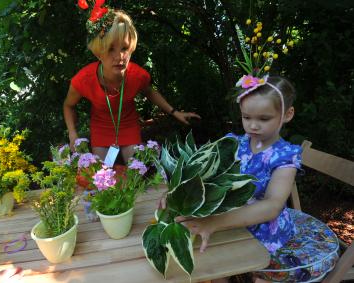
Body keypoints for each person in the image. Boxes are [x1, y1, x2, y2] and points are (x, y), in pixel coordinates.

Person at [159, 76, 339, 283]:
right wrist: (176, 191)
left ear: (288, 114)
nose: (253, 126)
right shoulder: (234, 143)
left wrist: (215, 222)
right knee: (204, 256)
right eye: (246, 117)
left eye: (264, 119)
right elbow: (201, 173)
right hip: (229, 219)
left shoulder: (285, 156)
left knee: (220, 258)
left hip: (264, 231)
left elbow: (272, 205)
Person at [63, 6, 200, 163]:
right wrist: (72, 134)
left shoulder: (137, 75)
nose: (120, 56)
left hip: (129, 126)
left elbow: (149, 91)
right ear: (98, 52)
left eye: (125, 48)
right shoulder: (84, 79)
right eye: (111, 49)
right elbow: (68, 105)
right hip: (101, 128)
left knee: (137, 169)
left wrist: (175, 112)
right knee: (101, 174)